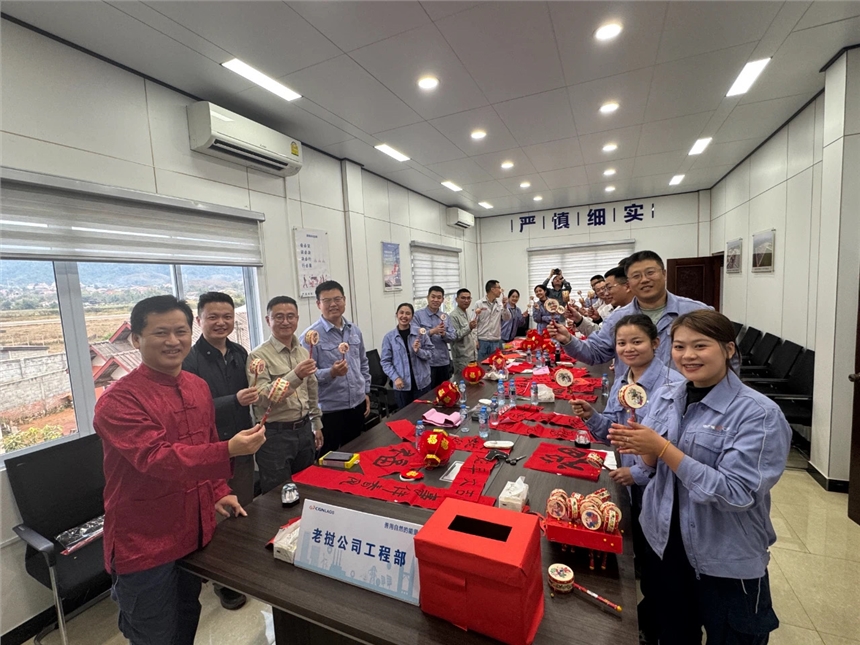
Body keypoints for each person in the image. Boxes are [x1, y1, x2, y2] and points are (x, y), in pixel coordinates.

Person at [608, 310, 790, 644]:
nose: (688, 356)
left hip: (723, 557)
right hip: (664, 543)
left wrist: (663, 448)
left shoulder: (758, 414)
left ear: (728, 349)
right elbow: (650, 468)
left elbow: (737, 494)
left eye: (700, 346)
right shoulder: (668, 395)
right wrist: (640, 444)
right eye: (679, 347)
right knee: (674, 633)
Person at [94, 295, 266, 645]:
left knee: (186, 622)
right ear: (136, 339)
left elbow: (205, 439)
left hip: (193, 530)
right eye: (161, 333)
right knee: (154, 634)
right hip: (145, 541)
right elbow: (157, 458)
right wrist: (229, 450)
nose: (173, 341)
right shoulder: (119, 400)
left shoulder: (196, 386)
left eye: (180, 331)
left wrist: (219, 490)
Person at [569, 314, 684, 644]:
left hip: (659, 488)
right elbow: (613, 431)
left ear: (656, 344)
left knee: (662, 566)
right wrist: (593, 416)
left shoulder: (672, 388)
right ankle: (646, 619)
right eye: (622, 343)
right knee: (641, 552)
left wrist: (637, 473)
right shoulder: (624, 381)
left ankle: (658, 627)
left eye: (637, 341)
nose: (628, 349)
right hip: (631, 483)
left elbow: (670, 445)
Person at [181, 292, 257, 610]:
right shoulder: (189, 360)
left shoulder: (240, 353)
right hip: (210, 449)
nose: (221, 322)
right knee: (218, 514)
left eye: (227, 316)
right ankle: (223, 581)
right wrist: (234, 400)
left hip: (243, 443)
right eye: (213, 317)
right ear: (199, 320)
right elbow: (192, 408)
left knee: (243, 505)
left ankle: (243, 564)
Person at [548, 250, 710, 367]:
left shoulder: (697, 312)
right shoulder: (618, 318)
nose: (644, 280)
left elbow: (718, 359)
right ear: (629, 283)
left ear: (664, 274)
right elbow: (596, 353)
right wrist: (568, 339)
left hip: (681, 400)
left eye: (650, 273)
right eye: (636, 276)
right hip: (630, 399)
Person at [248, 296, 324, 495]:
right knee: (278, 494)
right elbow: (261, 397)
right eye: (279, 317)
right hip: (275, 435)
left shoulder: (303, 352)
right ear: (268, 320)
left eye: (290, 316)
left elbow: (311, 389)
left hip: (304, 429)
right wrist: (295, 375)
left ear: (297, 319)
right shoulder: (258, 356)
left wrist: (316, 423)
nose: (285, 322)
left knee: (307, 486)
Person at [300, 280, 371, 454]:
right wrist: (331, 372)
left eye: (337, 299)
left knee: (356, 454)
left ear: (344, 300)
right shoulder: (310, 337)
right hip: (330, 411)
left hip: (357, 405)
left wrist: (365, 392)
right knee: (328, 460)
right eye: (327, 300)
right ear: (318, 304)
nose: (333, 304)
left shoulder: (354, 330)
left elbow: (363, 362)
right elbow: (306, 377)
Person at [380, 303, 435, 408]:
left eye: (408, 313)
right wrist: (395, 378)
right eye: (401, 313)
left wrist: (418, 351)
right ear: (396, 315)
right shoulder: (389, 338)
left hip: (422, 383)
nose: (404, 316)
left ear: (412, 316)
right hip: (402, 385)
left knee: (423, 412)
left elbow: (431, 353)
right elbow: (385, 362)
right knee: (405, 415)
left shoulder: (420, 333)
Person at [413, 285, 456, 388]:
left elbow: (453, 336)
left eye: (439, 297)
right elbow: (414, 337)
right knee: (428, 393)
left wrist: (444, 334)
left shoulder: (445, 317)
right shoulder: (417, 316)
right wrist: (432, 331)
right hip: (426, 362)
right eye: (433, 297)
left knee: (445, 391)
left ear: (442, 300)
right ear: (427, 297)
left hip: (443, 361)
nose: (435, 300)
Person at [474, 280, 511, 361]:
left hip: (495, 341)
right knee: (482, 364)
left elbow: (507, 318)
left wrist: (505, 307)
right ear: (492, 289)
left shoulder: (500, 304)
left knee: (495, 364)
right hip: (482, 340)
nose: (500, 290)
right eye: (499, 288)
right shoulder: (479, 303)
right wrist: (475, 340)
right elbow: (474, 322)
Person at [450, 288, 478, 377]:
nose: (466, 301)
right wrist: (469, 327)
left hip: (472, 355)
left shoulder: (466, 312)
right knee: (463, 382)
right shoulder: (453, 316)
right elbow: (455, 336)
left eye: (468, 298)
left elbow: (470, 333)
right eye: (463, 298)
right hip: (462, 359)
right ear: (456, 299)